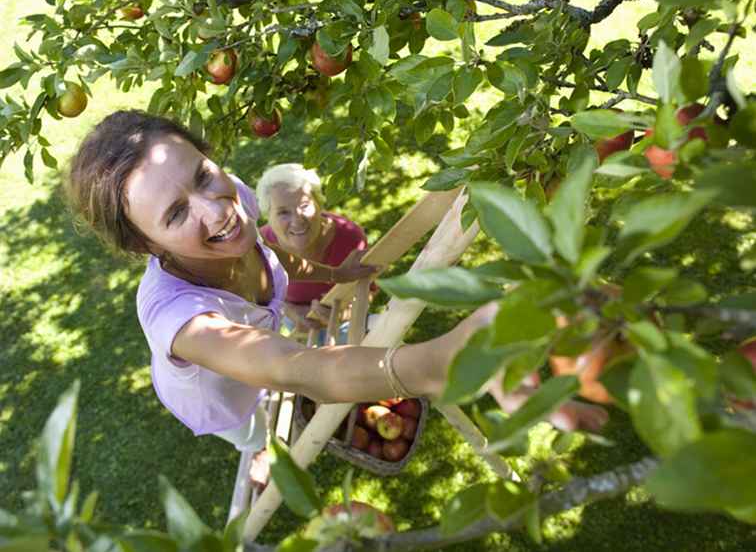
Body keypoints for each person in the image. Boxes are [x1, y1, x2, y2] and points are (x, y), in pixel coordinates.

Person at [65, 110, 605, 491]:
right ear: (144, 244)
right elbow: (296, 367)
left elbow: (276, 257)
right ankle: (255, 448)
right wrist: (439, 365)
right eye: (176, 214)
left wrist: (334, 272)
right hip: (219, 396)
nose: (215, 210)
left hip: (262, 335)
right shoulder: (181, 320)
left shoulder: (235, 201)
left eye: (204, 175)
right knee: (251, 425)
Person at [256, 163, 372, 339]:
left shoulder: (349, 237)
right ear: (268, 216)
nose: (297, 220)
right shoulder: (261, 246)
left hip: (345, 322)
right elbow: (260, 296)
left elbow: (368, 290)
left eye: (304, 205)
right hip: (295, 319)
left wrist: (343, 315)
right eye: (283, 213)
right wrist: (291, 312)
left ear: (319, 204)